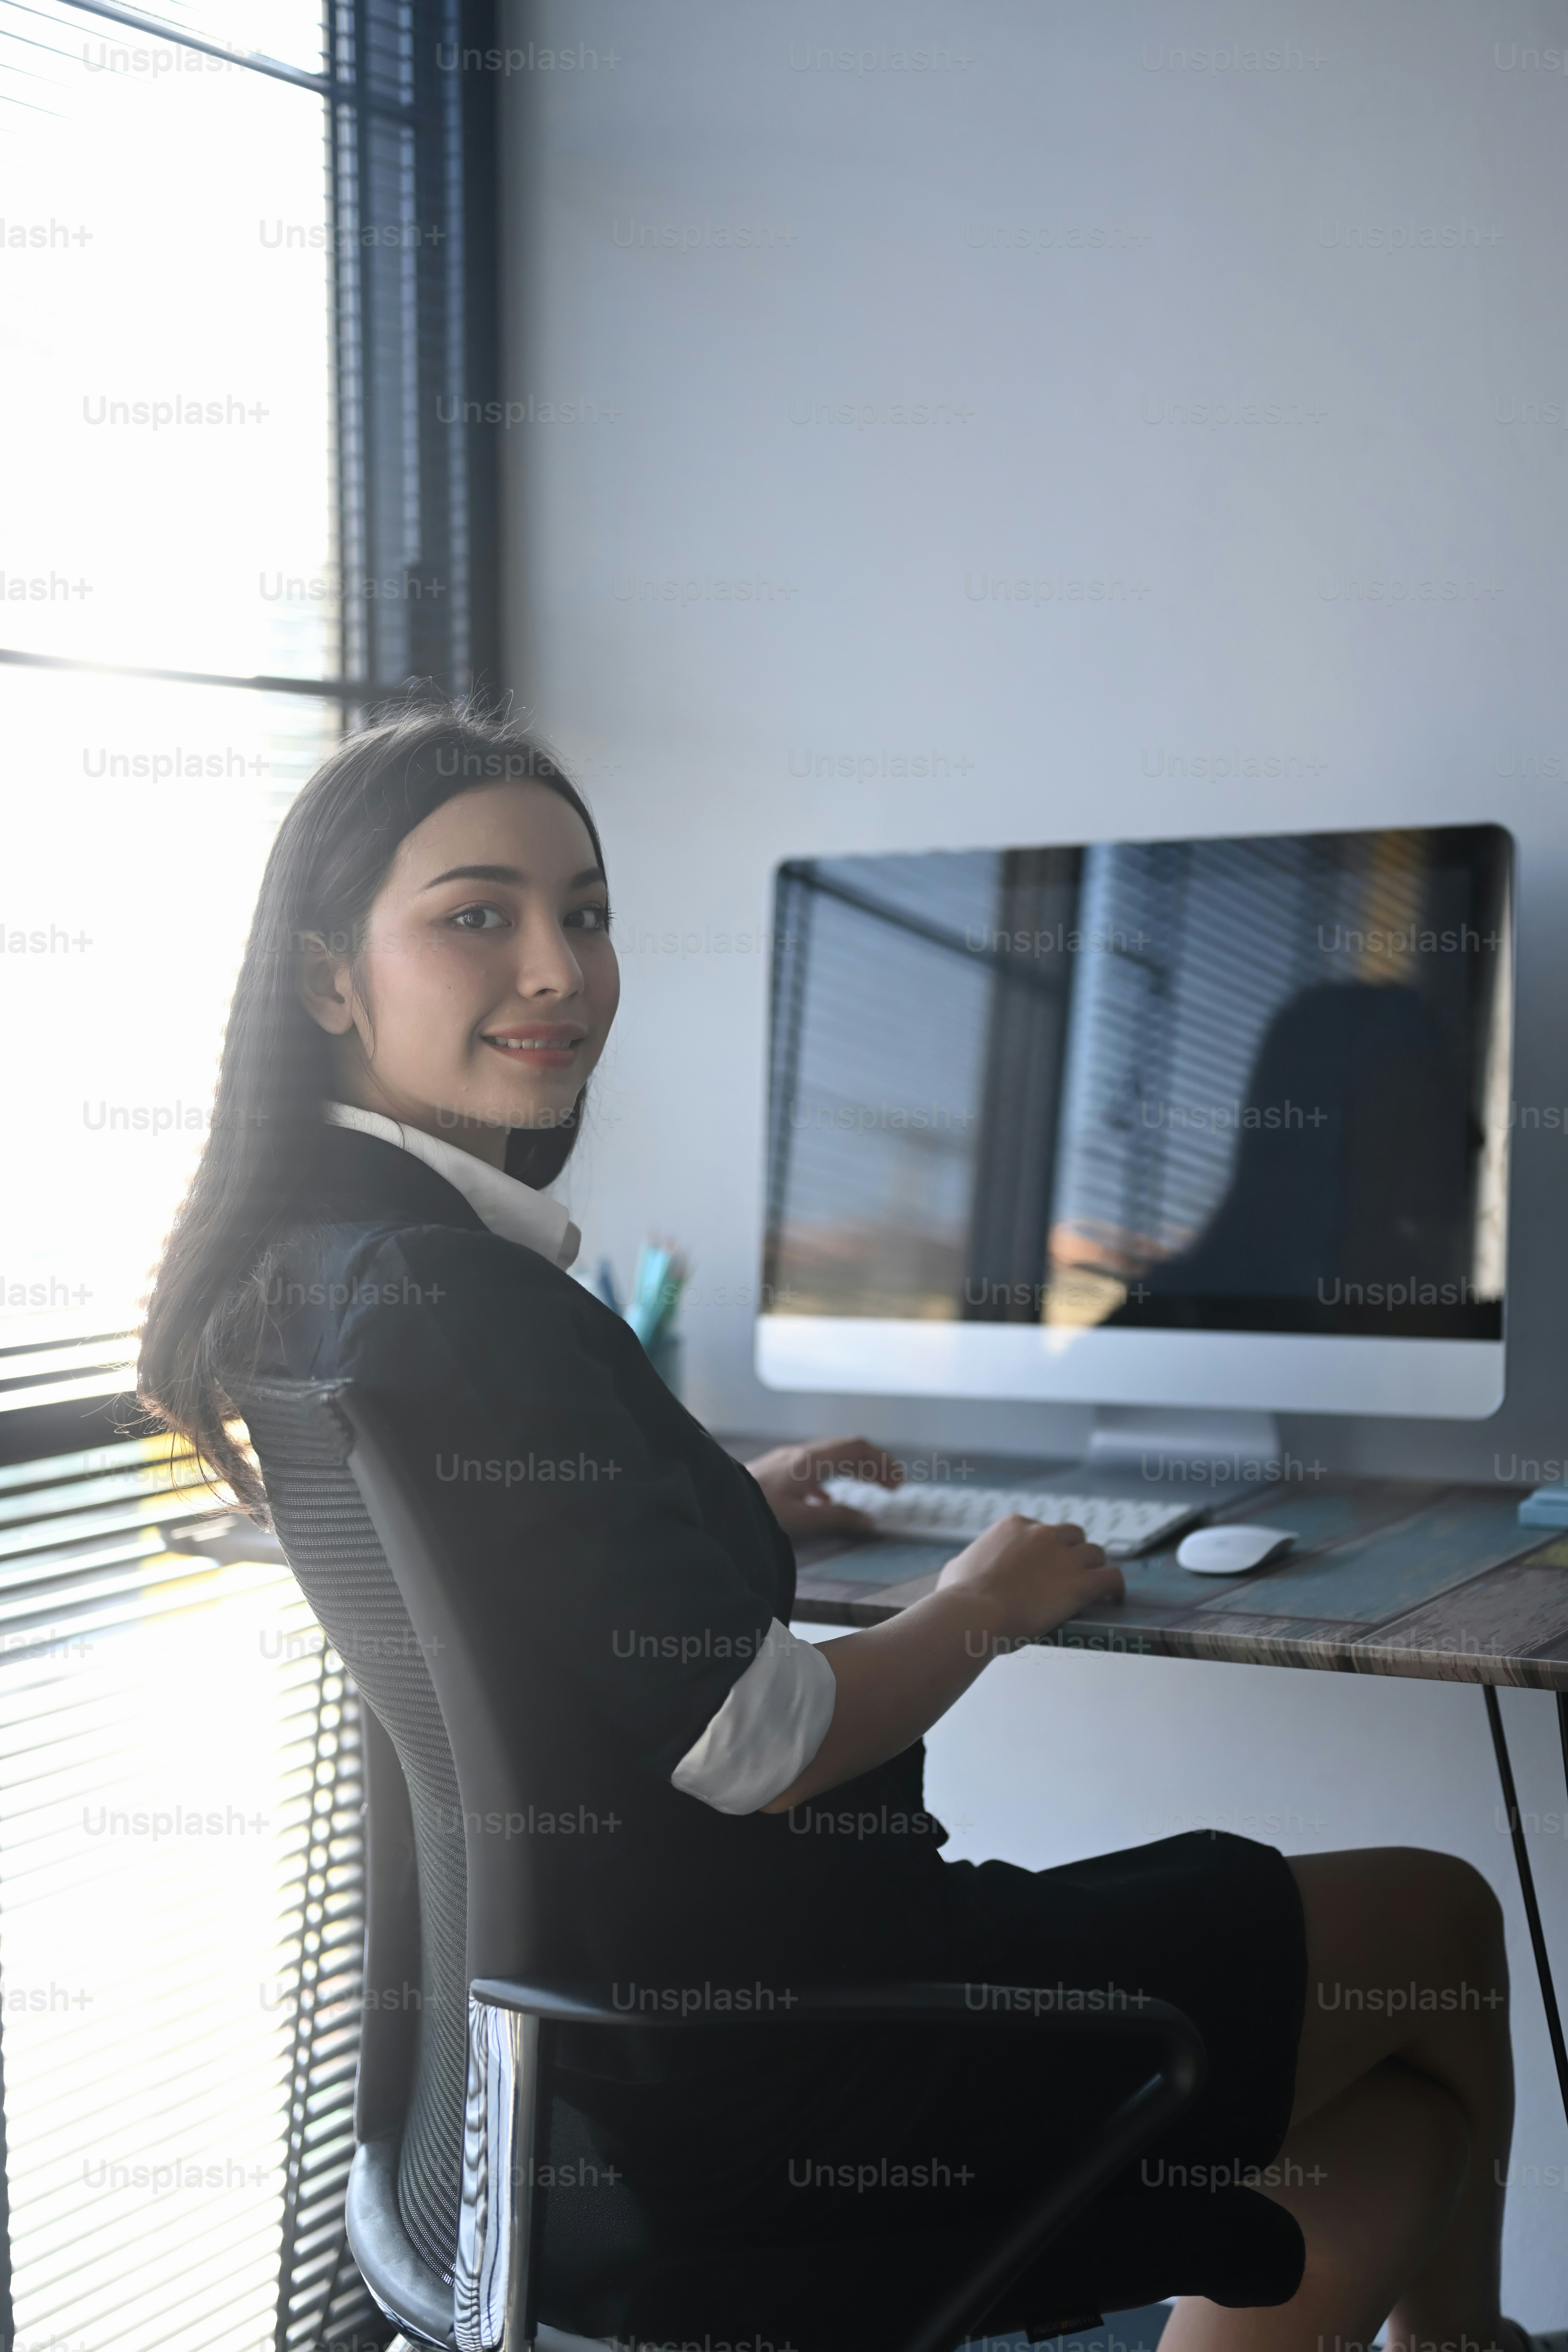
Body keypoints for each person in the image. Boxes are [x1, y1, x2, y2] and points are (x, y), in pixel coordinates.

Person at [139, 709, 1524, 2352]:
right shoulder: (459, 1299)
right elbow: (754, 1739)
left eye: (583, 913)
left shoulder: (327, 1276)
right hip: (794, 2075)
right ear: (327, 982)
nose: (558, 970)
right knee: (1439, 1929)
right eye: (476, 916)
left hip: (600, 2066)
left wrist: (735, 1502)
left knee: (1402, 2120)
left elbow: (545, 1620)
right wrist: (979, 1601)